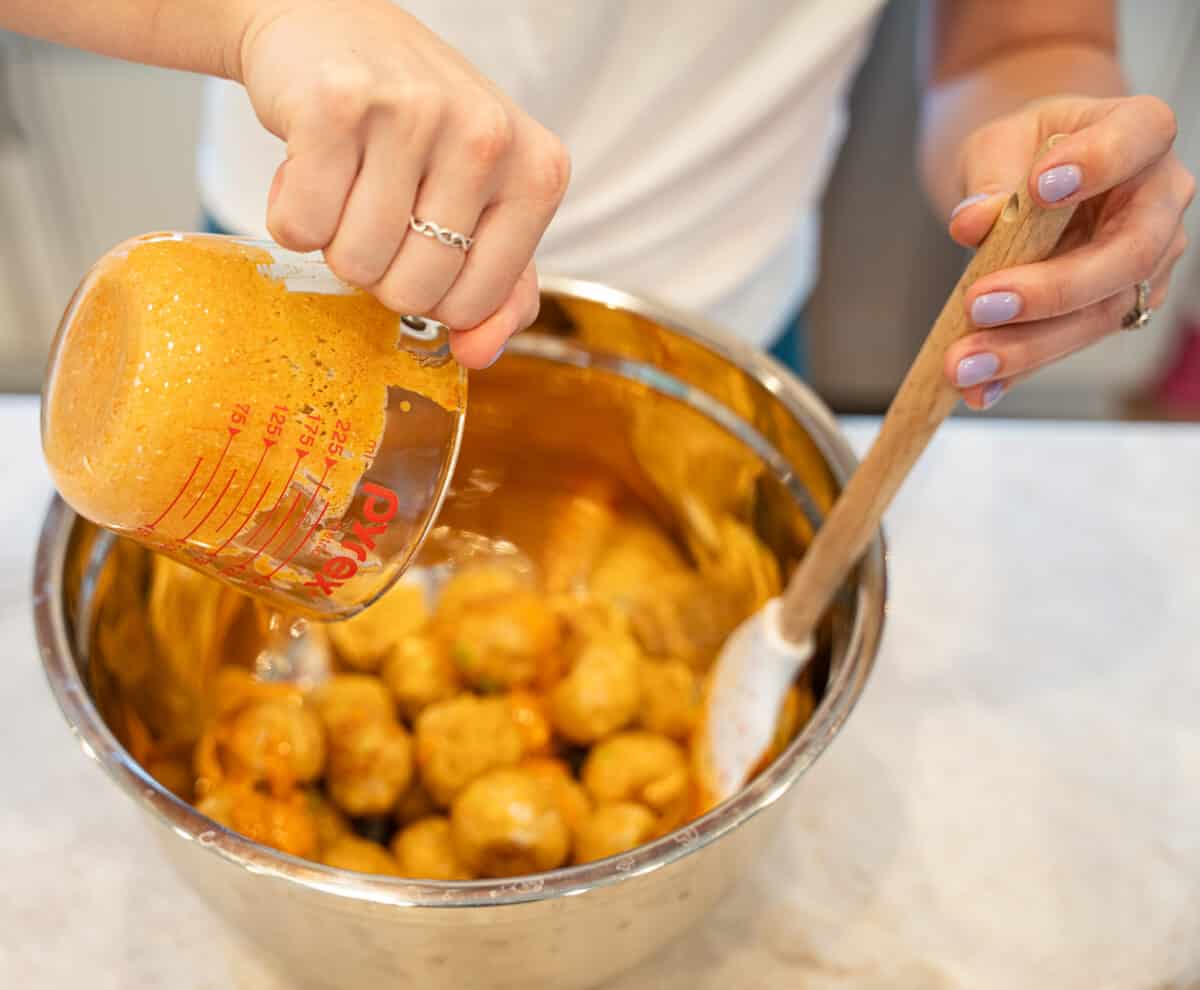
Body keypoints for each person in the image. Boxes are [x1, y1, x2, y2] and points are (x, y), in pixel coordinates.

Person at [3, 1, 1194, 410]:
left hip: (712, 328)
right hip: (312, 271)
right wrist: (257, 15)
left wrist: (1053, 160)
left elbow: (1030, 32)